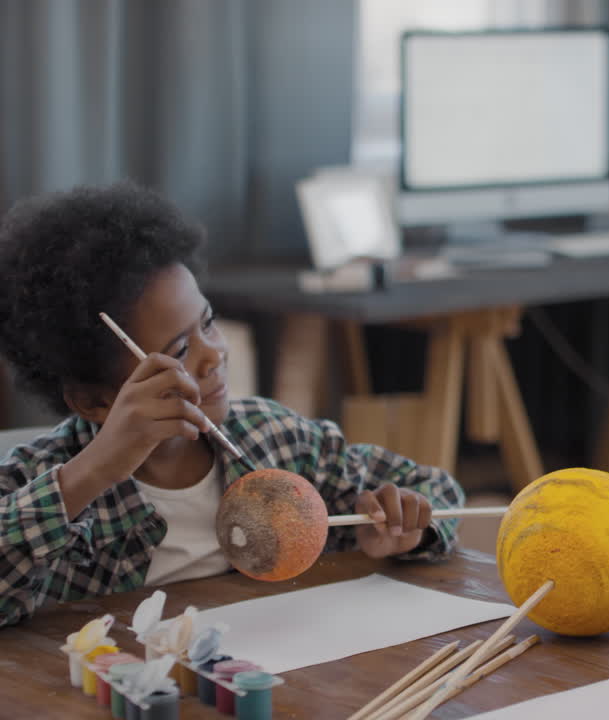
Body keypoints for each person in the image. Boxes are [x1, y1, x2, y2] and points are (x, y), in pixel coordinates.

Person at [0, 182, 465, 628]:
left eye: (210, 322)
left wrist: (406, 527)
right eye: (180, 351)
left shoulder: (278, 439)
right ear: (95, 400)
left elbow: (432, 490)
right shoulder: (40, 479)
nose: (215, 354)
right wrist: (93, 472)